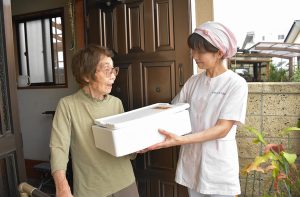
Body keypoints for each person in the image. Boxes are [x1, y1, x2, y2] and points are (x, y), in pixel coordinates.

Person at [147, 21, 248, 197]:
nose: (194, 55)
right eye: (193, 50)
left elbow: (222, 128)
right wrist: (143, 137)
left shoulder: (236, 84)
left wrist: (181, 140)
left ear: (219, 52)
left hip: (218, 164)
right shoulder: (193, 81)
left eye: (200, 51)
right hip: (192, 161)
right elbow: (173, 112)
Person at [50, 45, 139, 197]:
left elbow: (125, 147)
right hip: (91, 189)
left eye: (114, 69)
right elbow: (58, 147)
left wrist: (137, 146)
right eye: (107, 70)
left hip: (125, 183)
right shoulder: (67, 105)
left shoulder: (116, 103)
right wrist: (62, 186)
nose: (113, 76)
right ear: (86, 76)